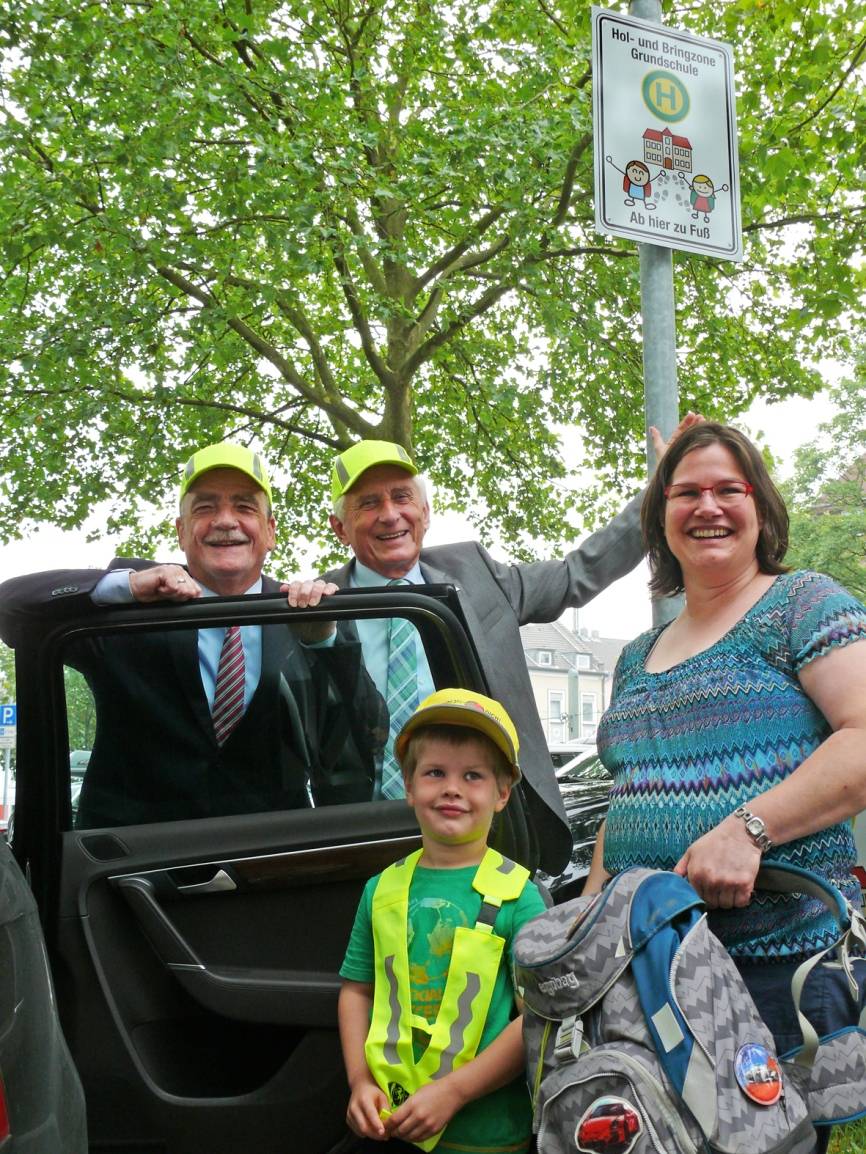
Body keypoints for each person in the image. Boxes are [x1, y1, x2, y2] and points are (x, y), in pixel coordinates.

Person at [585, 422, 866, 1150]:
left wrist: (747, 829)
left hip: (772, 969)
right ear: (660, 518)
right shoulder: (636, 657)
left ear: (761, 510)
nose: (707, 505)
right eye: (686, 492)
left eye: (727, 489)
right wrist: (590, 930)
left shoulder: (801, 603)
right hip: (650, 970)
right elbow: (627, 801)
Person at [287, 421, 700, 869]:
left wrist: (660, 486)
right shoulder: (314, 605)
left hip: (492, 835)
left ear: (425, 512)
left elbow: (578, 572)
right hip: (363, 840)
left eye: (402, 497)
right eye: (369, 503)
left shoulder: (478, 575)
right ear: (339, 527)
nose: (390, 514)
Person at [0, 442, 386, 826]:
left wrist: (322, 640)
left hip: (268, 855)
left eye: (244, 506)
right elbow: (11, 608)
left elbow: (370, 731)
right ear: (182, 532)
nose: (225, 521)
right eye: (205, 508)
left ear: (270, 532)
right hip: (134, 861)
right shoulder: (131, 607)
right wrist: (127, 588)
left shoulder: (305, 610)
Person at [337, 689, 546, 1153]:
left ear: (501, 794)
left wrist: (456, 1090)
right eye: (435, 772)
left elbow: (536, 1014)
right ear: (409, 787)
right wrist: (359, 1081)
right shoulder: (381, 890)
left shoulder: (520, 896)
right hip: (393, 1125)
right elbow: (357, 990)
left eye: (472, 775)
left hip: (488, 1133)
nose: (452, 787)